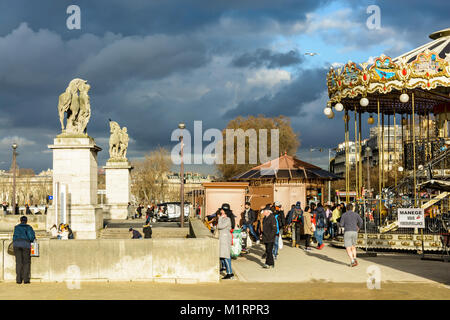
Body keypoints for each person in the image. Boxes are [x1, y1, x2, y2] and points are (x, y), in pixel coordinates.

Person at [12, 216, 36, 284]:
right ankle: (26, 279)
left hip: (16, 244)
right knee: (26, 262)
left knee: (18, 262)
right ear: (26, 221)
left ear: (20, 220)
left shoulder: (16, 227)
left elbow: (14, 237)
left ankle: (18, 280)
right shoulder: (28, 227)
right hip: (25, 245)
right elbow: (31, 237)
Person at [218, 207, 233, 279]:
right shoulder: (224, 219)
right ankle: (228, 271)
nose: (221, 211)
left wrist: (220, 218)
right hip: (223, 239)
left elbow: (220, 226)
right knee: (223, 256)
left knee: (226, 256)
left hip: (225, 239)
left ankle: (229, 273)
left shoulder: (227, 219)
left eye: (222, 210)